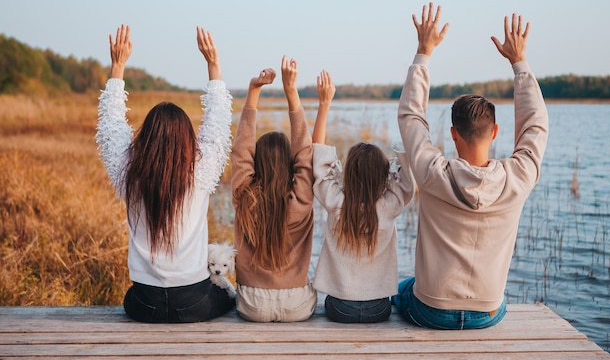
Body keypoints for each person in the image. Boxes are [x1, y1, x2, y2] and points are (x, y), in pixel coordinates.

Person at [394, 3, 549, 329]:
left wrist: (424, 52)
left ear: (453, 134)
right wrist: (519, 63)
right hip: (488, 313)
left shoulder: (432, 172)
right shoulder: (517, 178)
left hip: (430, 311)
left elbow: (411, 117)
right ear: (494, 132)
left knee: (401, 289)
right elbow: (536, 126)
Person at [96, 25, 235, 323]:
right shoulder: (200, 171)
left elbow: (111, 126)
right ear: (188, 140)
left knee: (131, 299)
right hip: (194, 303)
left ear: (145, 138)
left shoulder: (130, 173)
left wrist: (117, 67)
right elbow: (218, 125)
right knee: (228, 295)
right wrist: (214, 66)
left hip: (144, 304)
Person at [311, 70, 415, 323]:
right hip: (378, 309)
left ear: (348, 173)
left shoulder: (336, 202)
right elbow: (406, 172)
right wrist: (389, 171)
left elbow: (319, 157)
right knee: (408, 287)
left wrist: (324, 104)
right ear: (383, 175)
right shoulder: (390, 206)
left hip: (339, 308)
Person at [231, 56, 317, 322]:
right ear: (290, 167)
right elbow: (305, 152)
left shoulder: (245, 197)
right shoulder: (301, 199)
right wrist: (291, 91)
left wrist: (253, 90)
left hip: (251, 304)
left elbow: (241, 152)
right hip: (296, 305)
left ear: (257, 165)